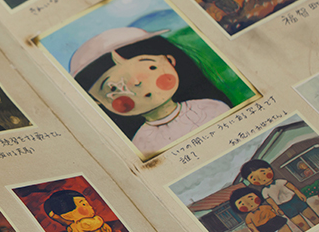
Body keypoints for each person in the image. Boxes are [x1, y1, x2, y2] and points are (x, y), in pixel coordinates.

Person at [71, 27, 230, 157]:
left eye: (150, 68)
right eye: (113, 88)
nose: (137, 83)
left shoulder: (212, 108)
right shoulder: (140, 145)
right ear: (96, 100)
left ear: (170, 61)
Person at [240, 159, 319, 230]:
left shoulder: (280, 181)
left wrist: (299, 194)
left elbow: (293, 188)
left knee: (312, 216)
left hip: (295, 199)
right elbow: (271, 202)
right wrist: (277, 209)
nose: (260, 178)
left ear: (269, 169)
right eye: (254, 179)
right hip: (284, 207)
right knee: (301, 224)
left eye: (263, 173)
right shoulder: (264, 191)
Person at [229, 187, 294, 232]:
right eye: (242, 204)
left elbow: (274, 209)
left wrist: (278, 211)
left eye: (251, 198)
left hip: (276, 221)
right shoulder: (249, 217)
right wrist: (256, 231)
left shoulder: (265, 207)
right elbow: (250, 225)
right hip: (265, 228)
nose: (249, 203)